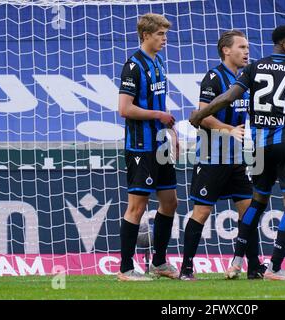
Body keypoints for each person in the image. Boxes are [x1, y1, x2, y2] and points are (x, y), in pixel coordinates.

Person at [190, 25, 285, 281]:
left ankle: (236, 261)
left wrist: (199, 114)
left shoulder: (254, 68)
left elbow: (228, 97)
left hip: (260, 148)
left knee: (257, 203)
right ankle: (275, 267)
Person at [179, 30, 266, 281]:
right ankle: (186, 268)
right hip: (211, 158)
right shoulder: (214, 77)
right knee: (202, 213)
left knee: (248, 212)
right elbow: (201, 116)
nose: (246, 51)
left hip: (236, 160)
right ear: (226, 50)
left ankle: (254, 267)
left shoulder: (244, 79)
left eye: (247, 47)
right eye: (241, 47)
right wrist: (229, 129)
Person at [117, 13, 179, 281]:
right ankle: (126, 268)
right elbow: (124, 109)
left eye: (165, 34)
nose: (164, 39)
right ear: (146, 35)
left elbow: (159, 104)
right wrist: (158, 117)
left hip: (160, 144)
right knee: (137, 206)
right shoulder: (133, 66)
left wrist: (171, 130)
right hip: (140, 146)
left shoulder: (159, 62)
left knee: (170, 202)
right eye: (160, 34)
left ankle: (160, 262)